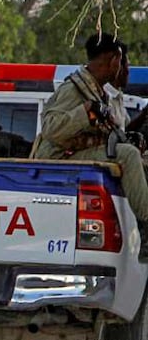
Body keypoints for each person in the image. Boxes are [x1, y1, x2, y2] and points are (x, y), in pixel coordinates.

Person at [32, 32, 148, 252]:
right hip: (58, 159)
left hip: (76, 155)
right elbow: (50, 128)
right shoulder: (74, 89)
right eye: (121, 61)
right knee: (128, 155)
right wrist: (84, 113)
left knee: (137, 156)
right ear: (114, 59)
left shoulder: (95, 89)